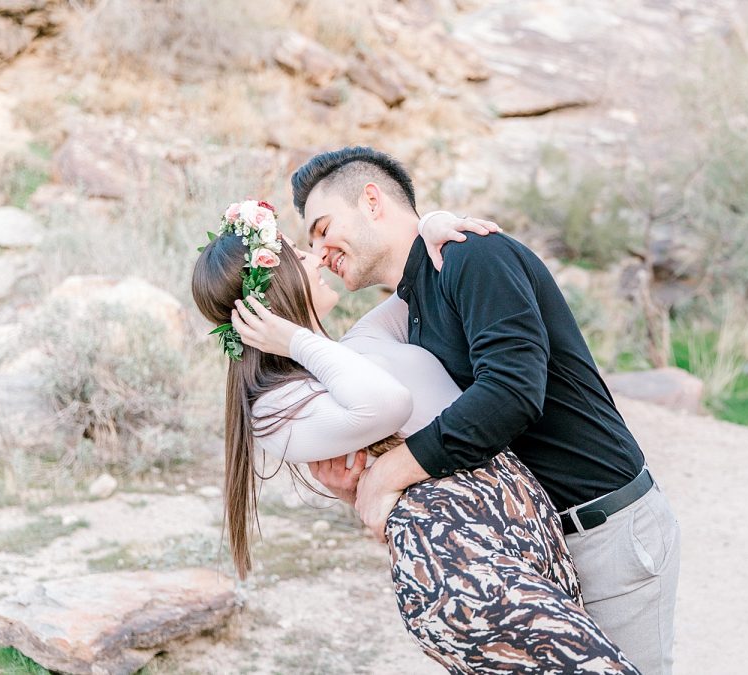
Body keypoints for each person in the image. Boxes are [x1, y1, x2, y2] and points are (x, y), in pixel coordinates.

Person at [191, 199, 638, 674]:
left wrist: (431, 223)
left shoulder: (357, 346)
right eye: (296, 255)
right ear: (270, 291)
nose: (316, 257)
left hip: (523, 528)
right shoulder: (274, 408)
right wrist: (295, 340)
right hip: (456, 558)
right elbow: (387, 404)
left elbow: (421, 273)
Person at [289, 146, 682, 674]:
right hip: (530, 549)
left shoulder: (474, 257)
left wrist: (387, 475)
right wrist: (359, 482)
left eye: (322, 227)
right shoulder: (409, 305)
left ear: (372, 200)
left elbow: (512, 391)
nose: (319, 250)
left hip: (605, 530)